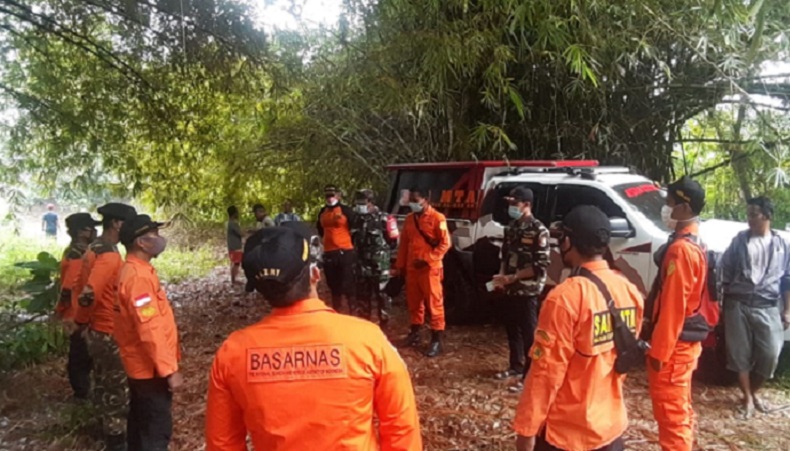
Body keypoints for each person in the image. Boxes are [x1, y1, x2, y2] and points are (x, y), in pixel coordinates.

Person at [205, 227, 422, 451]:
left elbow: (223, 444)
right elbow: (401, 429)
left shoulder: (233, 354)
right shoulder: (367, 340)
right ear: (315, 274)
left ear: (260, 290)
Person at [513, 205, 643, 451]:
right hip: (611, 427)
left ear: (568, 241)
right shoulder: (629, 290)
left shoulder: (565, 297)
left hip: (567, 433)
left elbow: (545, 373)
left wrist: (526, 430)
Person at [645, 176, 708, 451]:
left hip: (674, 349)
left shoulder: (682, 250)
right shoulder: (692, 240)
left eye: (669, 203)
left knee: (671, 417)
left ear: (683, 207)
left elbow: (673, 305)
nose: (666, 208)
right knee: (680, 410)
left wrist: (659, 352)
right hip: (683, 346)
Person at [73, 202, 136, 451]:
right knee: (117, 391)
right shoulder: (109, 255)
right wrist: (80, 321)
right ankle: (116, 441)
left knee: (103, 383)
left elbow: (80, 283)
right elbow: (89, 292)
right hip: (108, 330)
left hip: (98, 329)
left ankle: (104, 432)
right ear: (117, 224)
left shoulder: (93, 249)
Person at [115, 214, 181, 451]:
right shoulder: (138, 278)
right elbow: (149, 329)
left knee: (140, 424)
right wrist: (169, 369)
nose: (159, 239)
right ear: (141, 242)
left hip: (143, 367)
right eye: (154, 234)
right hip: (149, 370)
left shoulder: (138, 271)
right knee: (155, 430)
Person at [721, 196, 790, 417]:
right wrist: (726, 298)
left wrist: (787, 310)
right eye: (748, 214)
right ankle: (748, 398)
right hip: (738, 303)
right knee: (739, 354)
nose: (749, 219)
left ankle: (753, 391)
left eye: (754, 214)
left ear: (766, 216)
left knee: (770, 355)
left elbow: (787, 280)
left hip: (767, 304)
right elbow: (725, 269)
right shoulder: (739, 241)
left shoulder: (781, 245)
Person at [492, 187, 550, 392]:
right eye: (510, 204)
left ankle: (530, 374)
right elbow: (505, 255)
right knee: (512, 329)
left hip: (528, 290)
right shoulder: (512, 227)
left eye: (515, 204)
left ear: (527, 205)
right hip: (510, 288)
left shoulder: (539, 230)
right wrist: (501, 277)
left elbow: (540, 265)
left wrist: (514, 277)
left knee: (529, 334)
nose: (511, 208)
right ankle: (515, 366)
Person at [393, 187, 451, 357]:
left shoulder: (437, 218)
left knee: (434, 304)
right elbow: (404, 244)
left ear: (426, 199)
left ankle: (436, 339)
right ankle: (415, 333)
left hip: (429, 269)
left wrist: (427, 259)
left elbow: (445, 244)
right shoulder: (410, 219)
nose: (413, 204)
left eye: (416, 201)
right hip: (412, 268)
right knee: (414, 303)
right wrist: (400, 266)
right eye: (411, 201)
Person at [57, 212, 100, 400]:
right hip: (78, 313)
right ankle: (82, 396)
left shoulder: (82, 250)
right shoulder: (78, 253)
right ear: (82, 232)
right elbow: (69, 285)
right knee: (79, 357)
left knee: (83, 355)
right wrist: (61, 311)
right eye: (91, 228)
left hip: (81, 310)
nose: (95, 231)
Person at [351, 189, 398, 326]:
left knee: (382, 296)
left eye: (363, 202)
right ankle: (364, 325)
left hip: (380, 265)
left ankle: (384, 324)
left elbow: (393, 241)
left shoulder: (385, 219)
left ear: (371, 202)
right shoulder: (356, 219)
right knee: (362, 297)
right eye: (358, 202)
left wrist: (383, 257)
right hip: (361, 265)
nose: (360, 205)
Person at [316, 185, 356, 313]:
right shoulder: (322, 212)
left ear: (338, 195)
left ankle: (352, 311)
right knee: (333, 285)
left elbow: (355, 228)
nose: (330, 198)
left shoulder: (346, 211)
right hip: (329, 252)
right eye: (327, 195)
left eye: (332, 195)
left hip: (345, 251)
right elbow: (320, 229)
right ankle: (337, 310)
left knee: (348, 283)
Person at [226, 206, 243, 285]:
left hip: (232, 246)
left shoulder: (229, 223)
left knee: (234, 262)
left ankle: (233, 279)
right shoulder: (233, 224)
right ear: (234, 213)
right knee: (236, 262)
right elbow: (241, 233)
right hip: (235, 246)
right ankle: (233, 280)